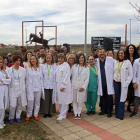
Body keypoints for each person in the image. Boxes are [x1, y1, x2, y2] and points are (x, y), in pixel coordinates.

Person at [7, 55, 27, 124]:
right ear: (13, 62)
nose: (18, 62)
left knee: (19, 104)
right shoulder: (9, 70)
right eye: (16, 61)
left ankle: (18, 116)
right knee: (12, 105)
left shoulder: (23, 70)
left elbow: (26, 79)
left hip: (20, 89)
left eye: (19, 60)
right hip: (12, 89)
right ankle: (11, 117)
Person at [114, 49, 133, 120]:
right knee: (117, 98)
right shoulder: (115, 62)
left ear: (124, 54)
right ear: (118, 54)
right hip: (116, 82)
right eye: (119, 53)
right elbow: (113, 71)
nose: (120, 54)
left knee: (122, 98)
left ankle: (120, 114)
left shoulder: (127, 62)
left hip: (123, 84)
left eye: (122, 53)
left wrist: (127, 83)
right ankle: (116, 112)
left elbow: (131, 74)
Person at [25, 55, 44, 121]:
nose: (33, 60)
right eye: (31, 59)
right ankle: (28, 114)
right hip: (31, 88)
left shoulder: (40, 67)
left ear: (36, 60)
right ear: (30, 61)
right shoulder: (27, 68)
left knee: (37, 102)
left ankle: (36, 114)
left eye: (34, 59)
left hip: (38, 87)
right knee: (30, 101)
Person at [97, 48, 114, 117]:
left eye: (103, 52)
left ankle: (109, 111)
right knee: (103, 97)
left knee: (109, 97)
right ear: (98, 53)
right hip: (101, 82)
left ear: (105, 53)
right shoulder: (97, 61)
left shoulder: (110, 60)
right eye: (100, 52)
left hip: (109, 82)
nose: (101, 53)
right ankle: (103, 110)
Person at [71, 54, 89, 119]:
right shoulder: (74, 66)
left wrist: (83, 87)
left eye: (82, 58)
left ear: (84, 59)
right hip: (74, 86)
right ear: (78, 59)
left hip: (81, 87)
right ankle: (75, 113)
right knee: (75, 100)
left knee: (80, 101)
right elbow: (70, 75)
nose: (81, 59)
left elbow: (87, 79)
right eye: (80, 58)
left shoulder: (87, 68)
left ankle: (79, 113)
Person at [55, 53, 72, 121]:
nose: (60, 59)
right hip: (58, 85)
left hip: (64, 86)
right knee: (59, 100)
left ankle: (63, 115)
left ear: (64, 59)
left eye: (61, 58)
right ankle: (61, 113)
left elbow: (67, 76)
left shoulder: (66, 65)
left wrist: (63, 86)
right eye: (59, 58)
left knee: (64, 101)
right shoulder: (58, 65)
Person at [40, 53, 56, 118]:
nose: (48, 59)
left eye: (49, 58)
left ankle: (50, 112)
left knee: (51, 98)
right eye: (47, 58)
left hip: (52, 84)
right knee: (45, 99)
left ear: (52, 58)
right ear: (45, 59)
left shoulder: (55, 65)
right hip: (45, 84)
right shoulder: (42, 65)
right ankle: (45, 112)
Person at [125, 44, 139, 113]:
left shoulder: (137, 58)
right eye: (130, 48)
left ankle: (129, 107)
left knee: (132, 94)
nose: (131, 49)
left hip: (134, 78)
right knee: (126, 93)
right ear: (128, 49)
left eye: (132, 48)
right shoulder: (125, 57)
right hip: (127, 78)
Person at [0, 56, 11, 129]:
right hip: (0, 89)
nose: (0, 63)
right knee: (0, 107)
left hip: (5, 89)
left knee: (4, 106)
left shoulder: (5, 71)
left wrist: (2, 80)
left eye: (1, 62)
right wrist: (5, 80)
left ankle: (2, 121)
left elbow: (9, 80)